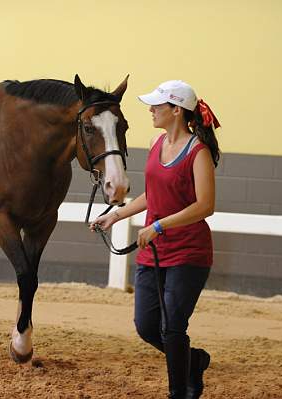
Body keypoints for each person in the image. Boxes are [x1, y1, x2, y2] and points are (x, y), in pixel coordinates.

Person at [90, 80, 221, 398]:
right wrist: (115, 215)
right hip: (154, 250)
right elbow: (154, 194)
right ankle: (195, 361)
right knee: (147, 326)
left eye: (157, 105)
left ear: (176, 110)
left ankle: (179, 392)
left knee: (173, 328)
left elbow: (205, 206)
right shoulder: (155, 143)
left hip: (188, 252)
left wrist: (160, 227)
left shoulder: (197, 153)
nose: (150, 109)